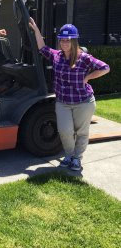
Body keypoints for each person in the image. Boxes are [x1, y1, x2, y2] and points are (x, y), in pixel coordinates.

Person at [29, 18, 110, 171]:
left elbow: (105, 68)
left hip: (83, 102)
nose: (64, 43)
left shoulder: (83, 58)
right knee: (65, 131)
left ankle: (77, 159)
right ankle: (69, 155)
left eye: (68, 40)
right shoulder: (57, 56)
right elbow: (42, 48)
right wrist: (36, 31)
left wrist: (88, 77)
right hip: (63, 102)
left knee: (81, 132)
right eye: (62, 40)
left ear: (74, 41)